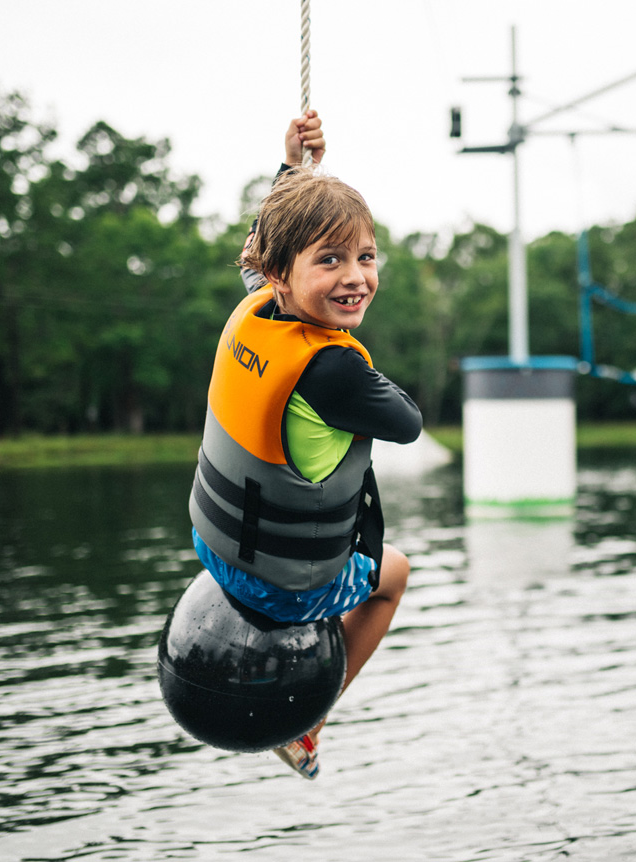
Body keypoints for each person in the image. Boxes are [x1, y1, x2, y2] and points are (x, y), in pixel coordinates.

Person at [189, 111, 422, 780]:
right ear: (284, 272)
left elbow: (264, 247)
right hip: (286, 588)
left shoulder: (259, 306)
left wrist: (291, 170)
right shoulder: (333, 371)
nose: (356, 277)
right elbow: (407, 421)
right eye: (331, 260)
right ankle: (308, 722)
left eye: (365, 256)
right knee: (395, 574)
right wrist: (358, 363)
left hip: (212, 546)